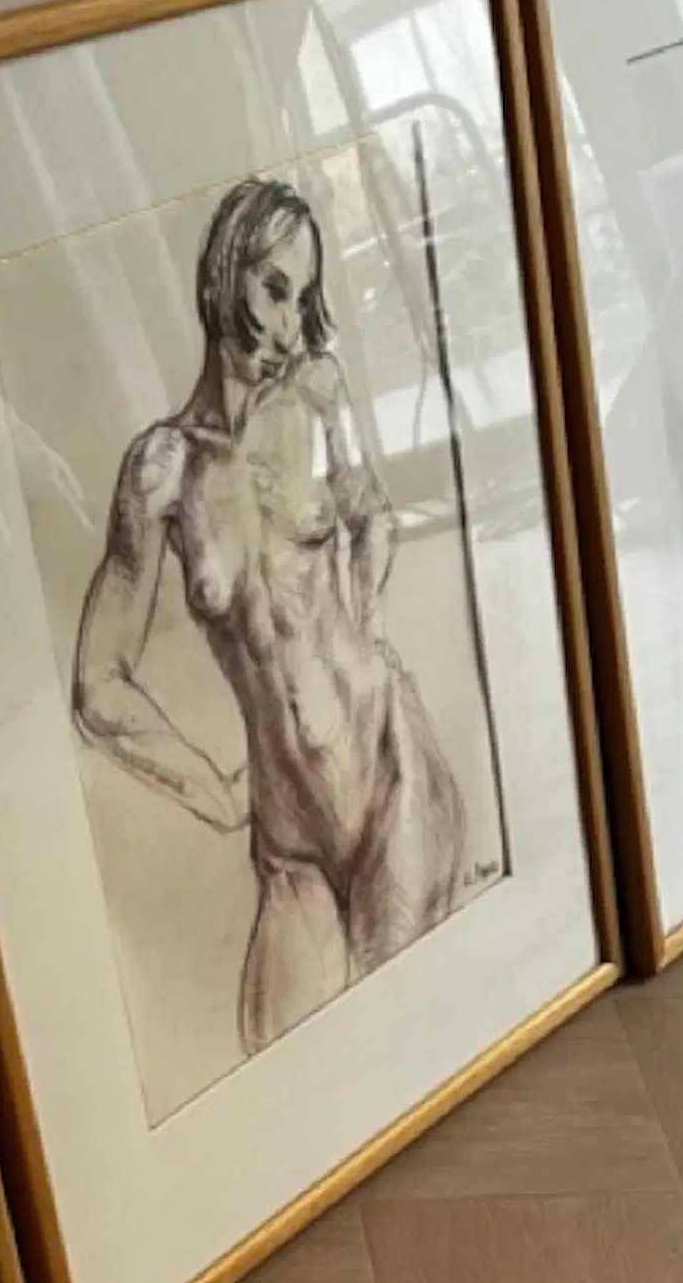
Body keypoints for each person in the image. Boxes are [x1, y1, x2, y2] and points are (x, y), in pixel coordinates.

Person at [72, 174, 465, 1055]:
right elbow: (97, 682)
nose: (288, 325)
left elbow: (373, 515)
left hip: (388, 766)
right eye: (274, 289)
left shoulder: (319, 397)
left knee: (408, 1044)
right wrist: (211, 788)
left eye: (304, 298)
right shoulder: (162, 470)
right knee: (292, 1061)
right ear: (224, 276)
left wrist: (366, 611)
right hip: (289, 832)